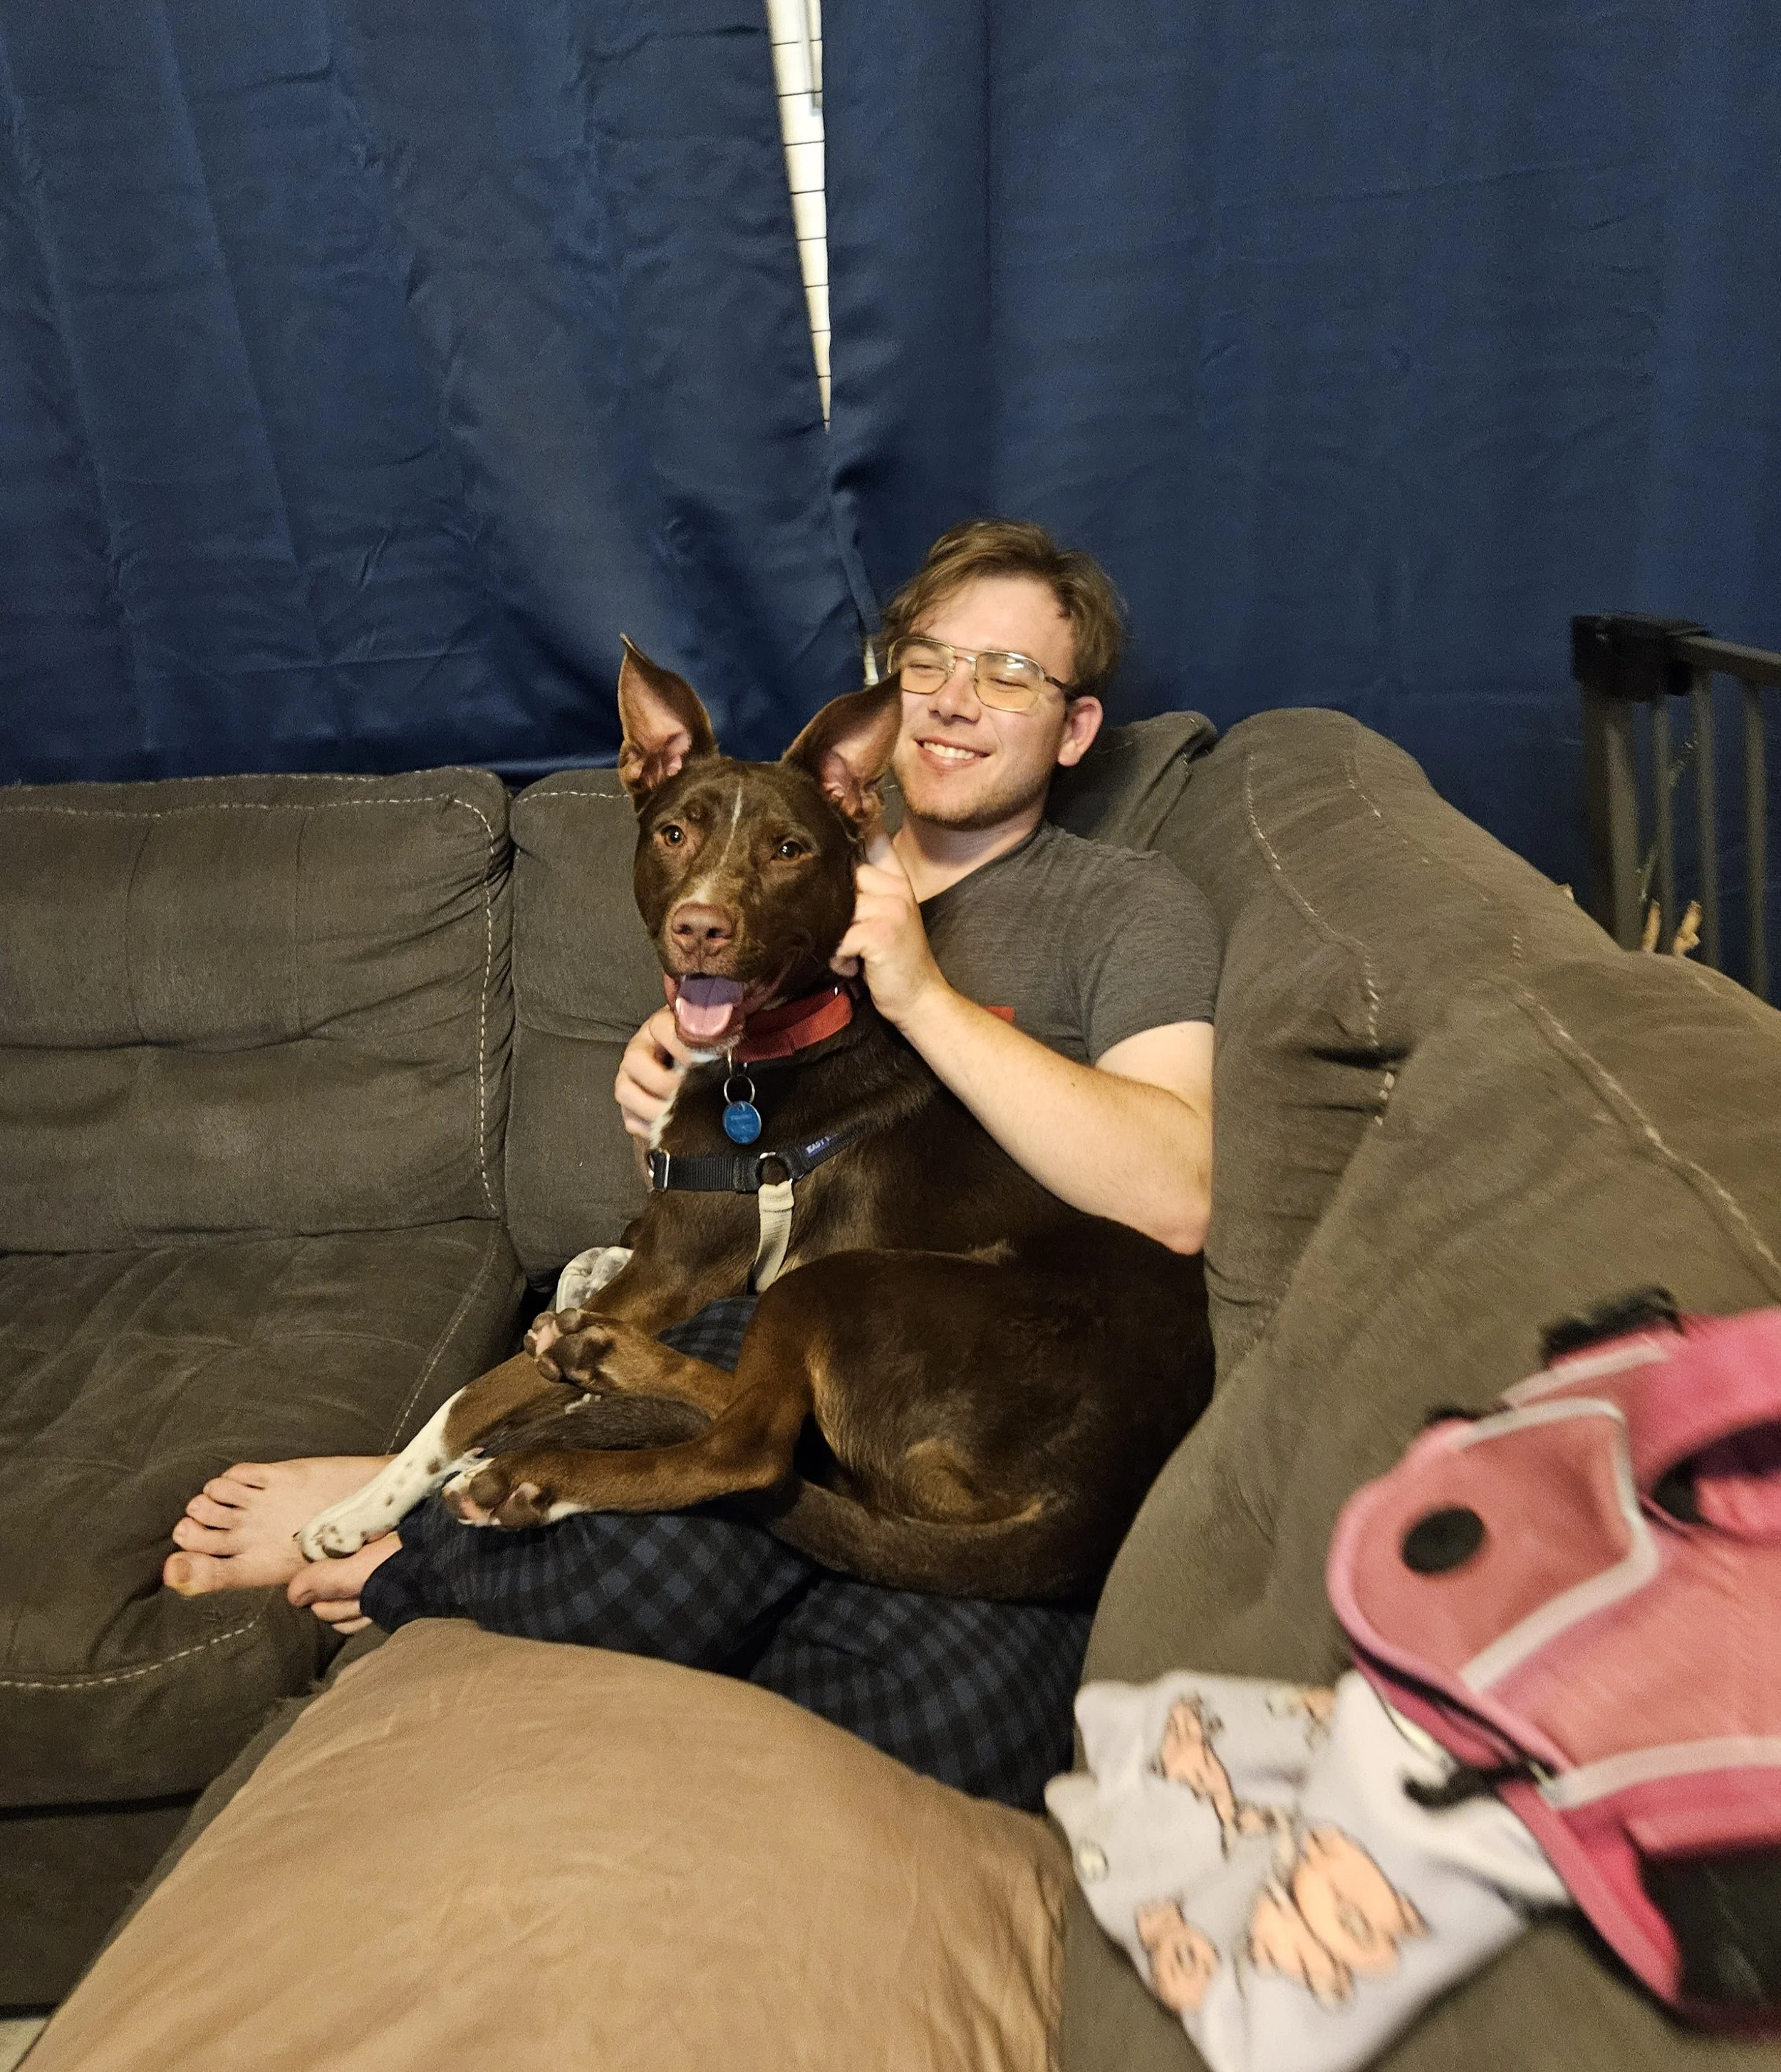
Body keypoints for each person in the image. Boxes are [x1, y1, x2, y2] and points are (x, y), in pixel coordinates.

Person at [162, 519, 1220, 1807]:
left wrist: (920, 988)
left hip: (983, 1360)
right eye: (931, 658)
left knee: (963, 1723)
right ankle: (413, 1515)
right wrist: (684, 1094)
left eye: (1011, 674)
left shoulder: (1122, 906)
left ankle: (464, 1528)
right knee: (641, 1569)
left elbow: (1177, 1194)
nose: (954, 698)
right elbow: (723, 1175)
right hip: (774, 1322)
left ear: (1074, 728)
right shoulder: (766, 856)